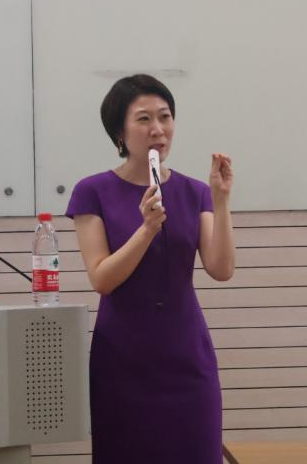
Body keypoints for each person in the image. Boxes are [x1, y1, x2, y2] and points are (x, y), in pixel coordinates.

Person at [65, 74, 235, 464]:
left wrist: (221, 201)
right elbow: (102, 278)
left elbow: (221, 268)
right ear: (120, 133)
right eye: (144, 119)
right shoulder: (92, 191)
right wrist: (146, 230)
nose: (158, 129)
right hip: (122, 358)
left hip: (187, 354)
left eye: (165, 116)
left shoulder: (194, 191)